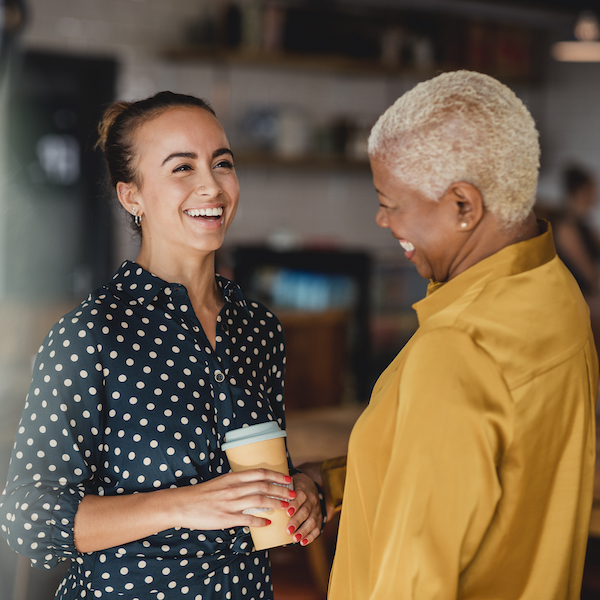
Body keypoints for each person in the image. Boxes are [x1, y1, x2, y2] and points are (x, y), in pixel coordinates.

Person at [0, 91, 324, 600]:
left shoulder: (259, 329)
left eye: (223, 163)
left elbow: (262, 468)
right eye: (182, 168)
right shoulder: (92, 333)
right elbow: (29, 518)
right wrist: (183, 504)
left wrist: (304, 487)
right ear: (132, 197)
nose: (211, 186)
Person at [322, 71, 598, 600]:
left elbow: (413, 584)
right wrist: (337, 481)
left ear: (463, 206)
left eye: (391, 201)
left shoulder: (458, 349)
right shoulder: (556, 294)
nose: (382, 219)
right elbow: (490, 472)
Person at [553, 164, 600, 296]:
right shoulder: (566, 228)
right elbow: (589, 273)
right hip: (573, 297)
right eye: (591, 190)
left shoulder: (585, 226)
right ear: (578, 192)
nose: (595, 196)